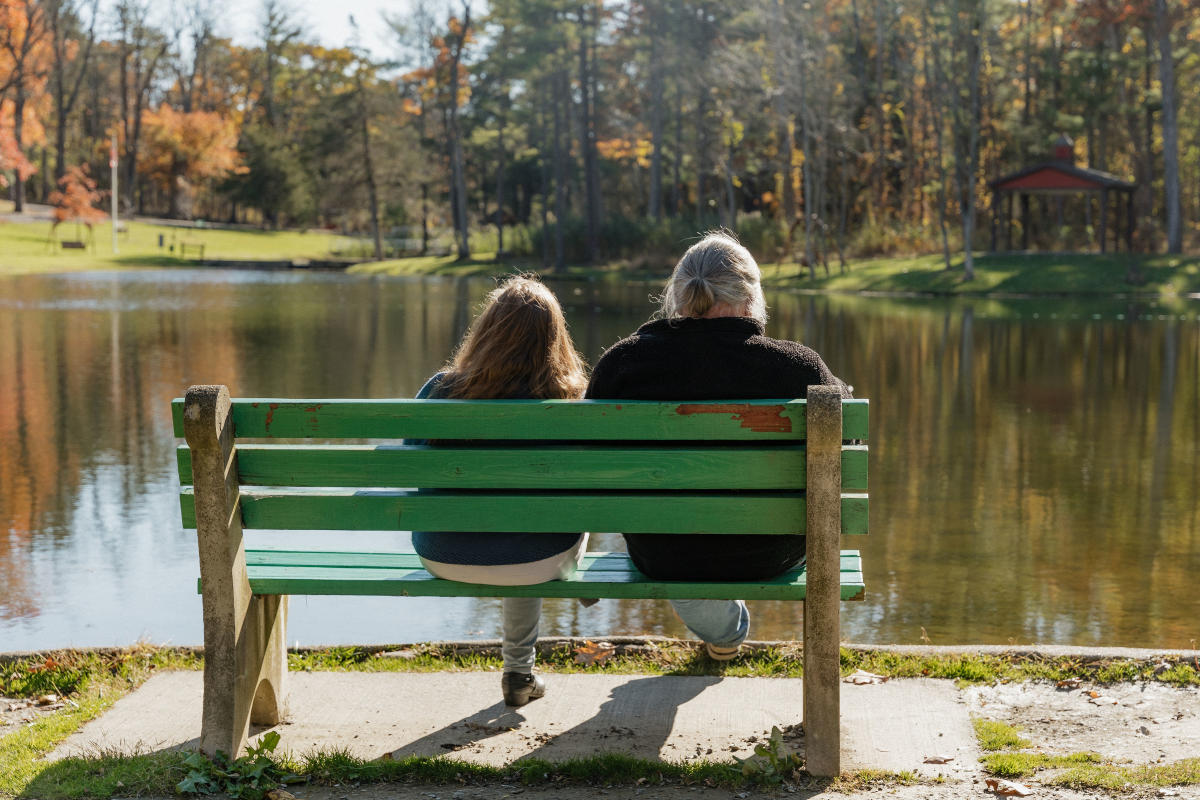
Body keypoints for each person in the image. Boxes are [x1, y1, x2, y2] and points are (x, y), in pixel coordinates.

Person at [585, 231, 851, 659]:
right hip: (770, 551)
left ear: (676, 294)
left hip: (664, 551)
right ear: (751, 296)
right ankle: (727, 634)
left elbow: (592, 459)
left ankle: (724, 633)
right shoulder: (795, 367)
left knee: (682, 544)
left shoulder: (623, 364)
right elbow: (847, 440)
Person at [410, 275, 589, 706]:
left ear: (486, 332)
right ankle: (519, 672)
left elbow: (409, 462)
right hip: (540, 561)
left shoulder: (440, 390)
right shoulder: (573, 401)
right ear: (556, 339)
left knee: (516, 526)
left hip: (443, 554)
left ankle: (521, 674)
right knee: (539, 525)